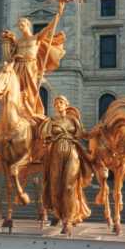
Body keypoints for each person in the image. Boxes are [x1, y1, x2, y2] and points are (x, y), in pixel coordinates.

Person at [0, 2, 67, 122]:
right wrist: (10, 38)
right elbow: (11, 54)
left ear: (28, 25)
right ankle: (15, 112)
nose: (21, 27)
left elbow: (49, 28)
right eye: (19, 26)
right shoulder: (19, 41)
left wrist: (58, 13)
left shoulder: (36, 38)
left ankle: (32, 113)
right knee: (16, 89)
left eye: (23, 25)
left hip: (31, 67)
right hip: (19, 67)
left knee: (30, 91)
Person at [39, 96, 93, 235]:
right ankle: (59, 214)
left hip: (72, 152)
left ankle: (68, 220)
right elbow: (43, 136)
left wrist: (100, 131)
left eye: (61, 102)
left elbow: (83, 134)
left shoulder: (73, 120)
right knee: (55, 187)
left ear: (66, 105)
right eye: (56, 103)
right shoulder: (50, 121)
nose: (58, 105)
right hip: (56, 153)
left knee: (69, 186)